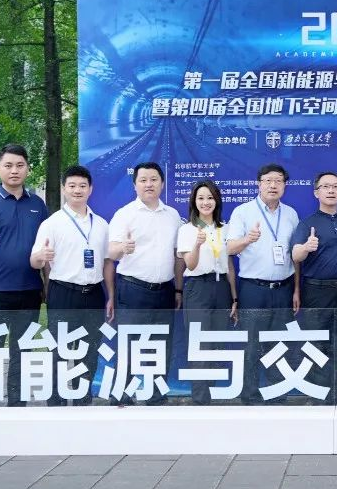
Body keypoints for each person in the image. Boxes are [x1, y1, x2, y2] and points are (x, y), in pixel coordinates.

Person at [0, 144, 48, 407]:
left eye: (20, 165)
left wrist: (47, 284)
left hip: (30, 289)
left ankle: (18, 402)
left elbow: (44, 247)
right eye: (8, 165)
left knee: (23, 349)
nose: (14, 170)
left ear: (28, 169)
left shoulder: (37, 204)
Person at [30, 165, 114, 406]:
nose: (78, 190)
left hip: (94, 293)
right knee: (59, 350)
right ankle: (55, 403)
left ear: (91, 189)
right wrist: (41, 257)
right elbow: (34, 260)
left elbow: (107, 262)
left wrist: (110, 295)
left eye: (82, 186)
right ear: (64, 189)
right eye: (72, 186)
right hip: (63, 293)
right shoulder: (52, 223)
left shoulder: (101, 224)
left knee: (89, 351)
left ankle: (82, 401)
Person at [107, 162, 183, 406]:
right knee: (129, 345)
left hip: (165, 289)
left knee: (161, 345)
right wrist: (123, 247)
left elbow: (177, 256)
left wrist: (178, 288)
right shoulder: (125, 214)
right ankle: (121, 395)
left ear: (162, 183)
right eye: (143, 180)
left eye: (153, 179)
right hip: (133, 289)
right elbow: (111, 252)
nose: (149, 184)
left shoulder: (172, 216)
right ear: (135, 185)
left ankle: (155, 395)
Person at [226, 163, 299, 404]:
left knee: (280, 343)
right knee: (251, 344)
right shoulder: (243, 212)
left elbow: (295, 255)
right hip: (253, 289)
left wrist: (296, 289)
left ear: (285, 186)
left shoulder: (291, 214)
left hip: (283, 288)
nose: (273, 185)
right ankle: (250, 396)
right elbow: (229, 248)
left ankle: (278, 394)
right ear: (258, 184)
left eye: (278, 181)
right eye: (268, 180)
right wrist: (247, 239)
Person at [290, 171, 337, 403]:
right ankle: (318, 395)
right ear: (316, 192)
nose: (331, 190)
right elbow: (295, 256)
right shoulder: (307, 223)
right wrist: (306, 247)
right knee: (316, 343)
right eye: (325, 186)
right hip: (316, 291)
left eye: (336, 186)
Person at [176, 180, 238, 405]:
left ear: (217, 201)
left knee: (217, 341)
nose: (205, 202)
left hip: (221, 287)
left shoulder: (225, 228)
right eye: (201, 198)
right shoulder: (187, 229)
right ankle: (201, 399)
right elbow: (190, 265)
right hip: (197, 287)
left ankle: (212, 393)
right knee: (200, 342)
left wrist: (234, 297)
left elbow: (229, 265)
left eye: (210, 198)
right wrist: (197, 244)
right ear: (194, 201)